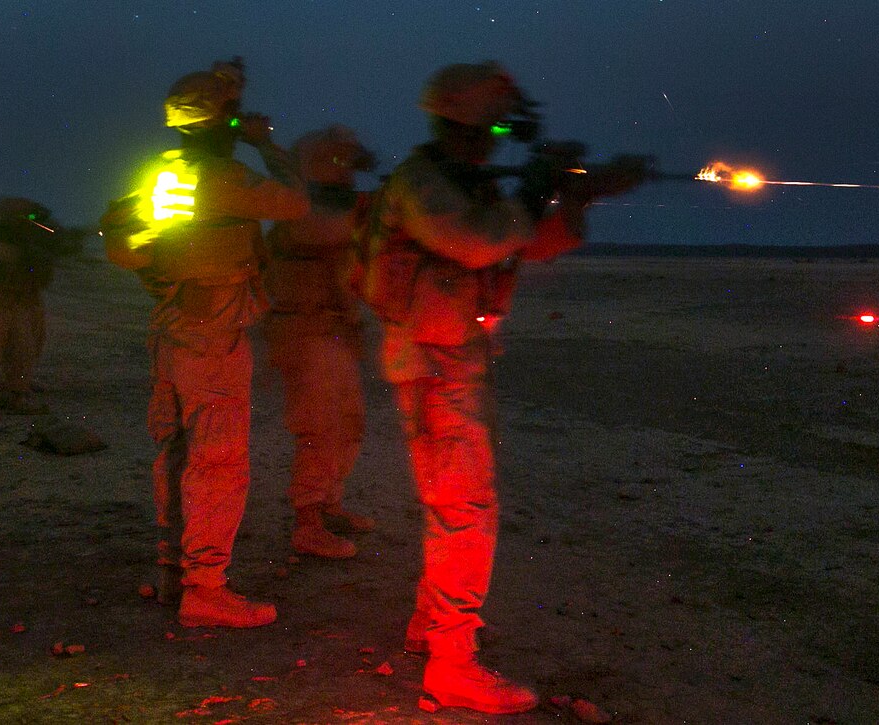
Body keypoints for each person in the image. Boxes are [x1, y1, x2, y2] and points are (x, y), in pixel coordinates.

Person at [361, 61, 642, 714]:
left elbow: (529, 243)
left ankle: (433, 626)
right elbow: (482, 241)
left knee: (453, 505)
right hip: (435, 363)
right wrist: (543, 181)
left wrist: (579, 194)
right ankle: (451, 666)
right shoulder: (425, 181)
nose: (499, 141)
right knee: (465, 512)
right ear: (474, 121)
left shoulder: (461, 178)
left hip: (450, 357)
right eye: (495, 126)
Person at [100, 58, 308, 628]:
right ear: (220, 120)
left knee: (176, 452)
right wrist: (267, 145)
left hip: (172, 324)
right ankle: (205, 589)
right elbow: (294, 202)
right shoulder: (221, 177)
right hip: (212, 331)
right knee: (217, 461)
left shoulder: (161, 171)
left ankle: (175, 575)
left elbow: (125, 242)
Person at [263, 125, 377, 559]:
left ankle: (329, 504)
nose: (347, 167)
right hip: (307, 333)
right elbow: (328, 233)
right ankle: (307, 522)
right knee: (320, 428)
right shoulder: (302, 213)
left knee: (348, 426)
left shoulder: (333, 208)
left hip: (334, 331)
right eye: (339, 159)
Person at [0, 199, 82, 415]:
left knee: (22, 352)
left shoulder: (31, 238)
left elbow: (64, 247)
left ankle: (17, 394)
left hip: (21, 302)